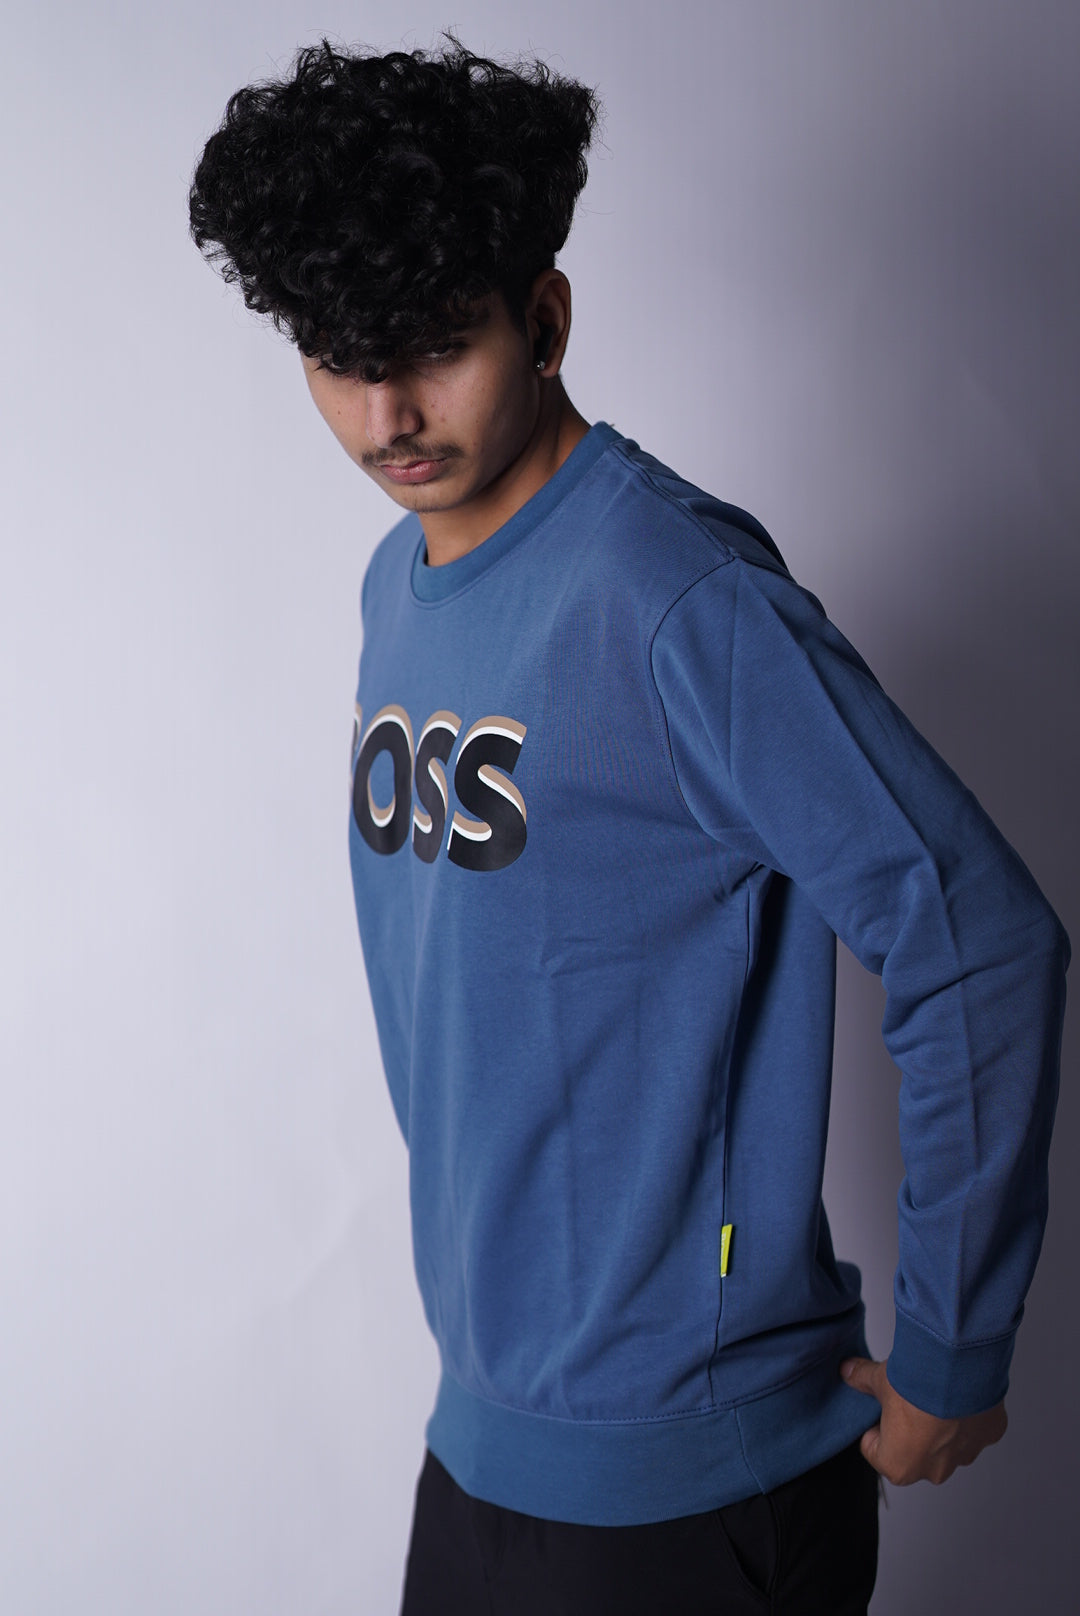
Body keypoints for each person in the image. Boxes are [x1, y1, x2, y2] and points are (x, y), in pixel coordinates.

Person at [188, 38, 1069, 1615]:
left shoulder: (678, 602)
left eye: (434, 346)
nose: (387, 413)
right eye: (337, 357)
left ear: (544, 319)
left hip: (694, 1489)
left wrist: (954, 1349)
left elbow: (975, 935)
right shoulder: (399, 584)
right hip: (483, 1449)